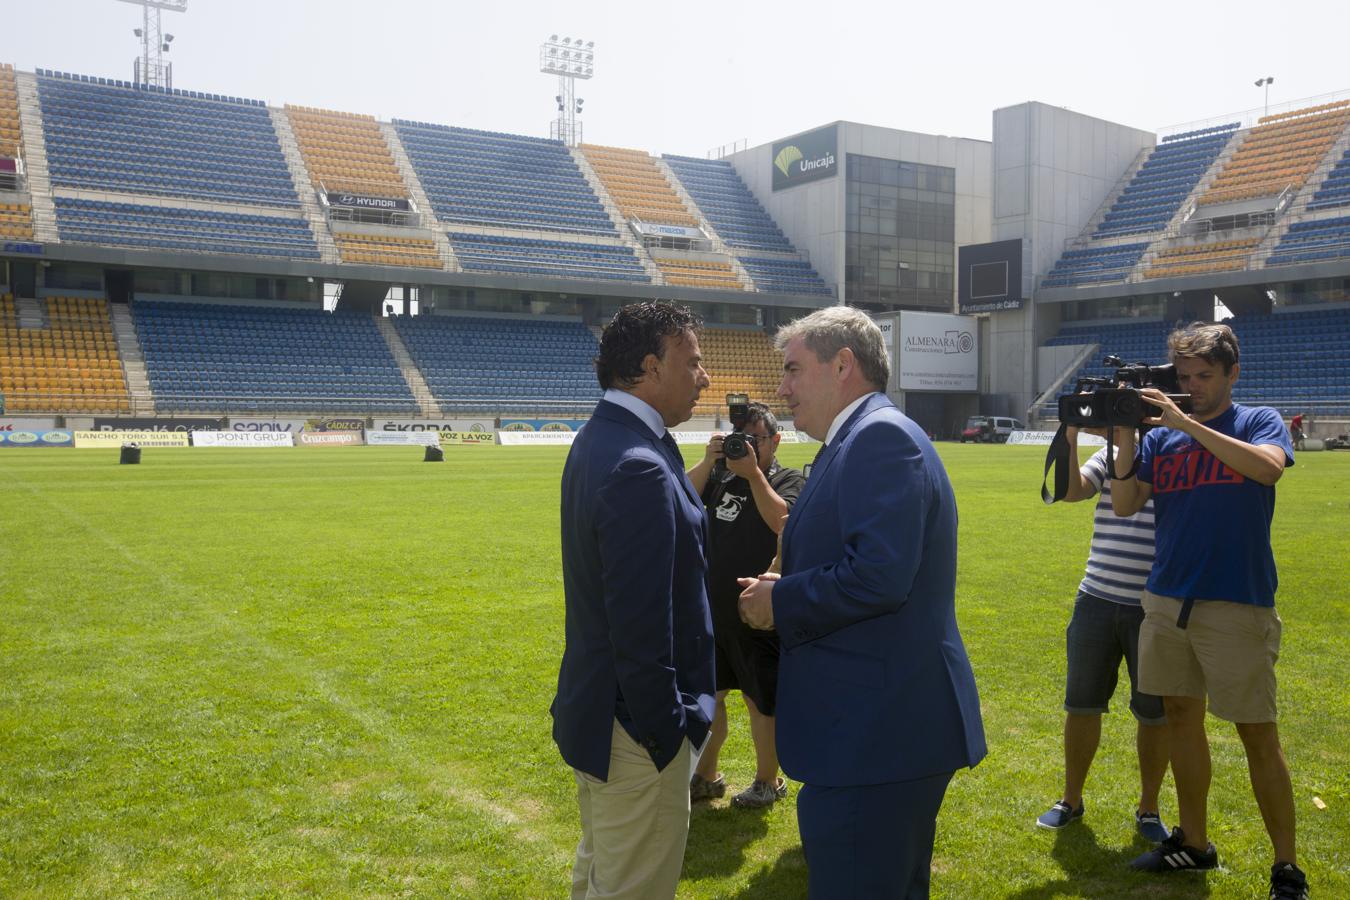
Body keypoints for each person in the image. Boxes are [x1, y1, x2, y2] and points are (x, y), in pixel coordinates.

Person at [737, 306, 986, 898]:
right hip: (873, 728)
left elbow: (878, 577)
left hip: (876, 736)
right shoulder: (856, 435)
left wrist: (783, 602)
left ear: (843, 364)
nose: (782, 388)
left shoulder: (877, 438)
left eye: (794, 370)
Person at [1110, 323, 1307, 900]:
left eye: (1205, 376)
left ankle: (1287, 868)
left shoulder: (1256, 421)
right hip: (1168, 598)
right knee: (1179, 719)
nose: (1193, 386)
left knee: (1257, 734)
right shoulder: (1161, 439)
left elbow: (1268, 468)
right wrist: (1126, 437)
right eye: (1186, 377)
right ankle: (1194, 842)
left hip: (1235, 600)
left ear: (1231, 374)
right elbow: (1124, 504)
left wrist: (1186, 424)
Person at [552, 301, 715, 900]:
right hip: (636, 733)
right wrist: (668, 734)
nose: (704, 377)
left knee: (600, 877)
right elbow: (640, 629)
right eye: (693, 363)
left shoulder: (608, 439)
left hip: (605, 716)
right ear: (650, 367)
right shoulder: (638, 463)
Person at [1035, 426, 1170, 843]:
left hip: (1153, 603)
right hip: (1096, 594)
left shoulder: (1172, 453)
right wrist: (1071, 436)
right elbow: (1073, 491)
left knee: (1154, 713)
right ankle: (1070, 799)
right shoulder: (1110, 452)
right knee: (1081, 705)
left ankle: (1149, 808)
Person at [685, 402, 805, 808]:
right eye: (741, 438)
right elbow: (680, 497)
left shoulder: (786, 479)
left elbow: (782, 522)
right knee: (710, 695)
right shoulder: (720, 476)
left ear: (776, 440)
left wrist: (753, 473)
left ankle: (768, 781)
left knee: (759, 700)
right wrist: (708, 461)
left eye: (755, 439)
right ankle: (706, 775)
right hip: (713, 607)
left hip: (757, 612)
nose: (746, 446)